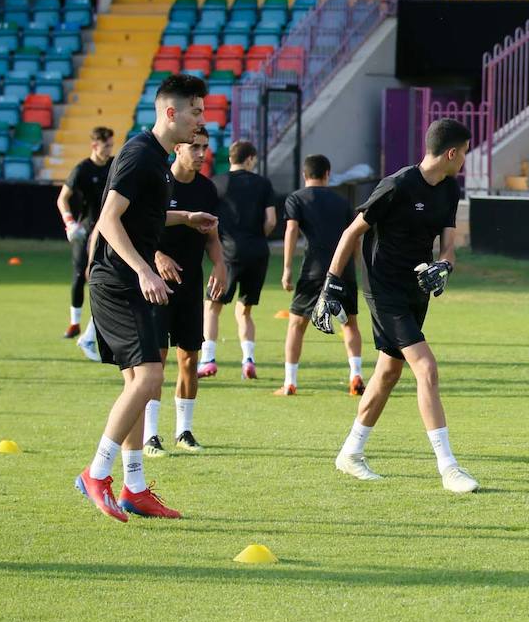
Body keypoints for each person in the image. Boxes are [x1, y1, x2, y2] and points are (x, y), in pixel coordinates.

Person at [74, 73, 216, 522]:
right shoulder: (139, 155)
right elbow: (109, 220)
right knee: (150, 377)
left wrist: (184, 217)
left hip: (124, 281)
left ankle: (134, 485)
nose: (201, 119)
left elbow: (143, 215)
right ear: (171, 112)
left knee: (138, 382)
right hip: (117, 282)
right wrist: (143, 270)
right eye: (196, 111)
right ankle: (96, 473)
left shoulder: (154, 158)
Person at [313, 118, 478, 494]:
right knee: (427, 367)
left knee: (388, 372)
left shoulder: (449, 190)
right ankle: (448, 467)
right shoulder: (397, 185)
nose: (465, 159)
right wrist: (332, 285)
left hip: (415, 289)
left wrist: (444, 265)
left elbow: (449, 245)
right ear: (452, 152)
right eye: (465, 152)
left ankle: (350, 453)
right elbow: (351, 232)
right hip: (383, 290)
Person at [144, 126, 225, 457]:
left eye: (205, 147)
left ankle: (184, 431)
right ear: (177, 148)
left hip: (191, 285)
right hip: (157, 286)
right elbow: (139, 231)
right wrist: (157, 256)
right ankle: (150, 436)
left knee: (189, 358)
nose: (201, 153)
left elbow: (213, 236)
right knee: (157, 361)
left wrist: (220, 265)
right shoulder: (159, 183)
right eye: (195, 147)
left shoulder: (207, 189)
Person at [279, 153, 363, 396]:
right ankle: (355, 374)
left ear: (305, 175)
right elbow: (355, 236)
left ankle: (290, 381)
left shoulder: (296, 199)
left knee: (296, 324)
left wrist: (287, 269)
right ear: (328, 174)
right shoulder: (342, 202)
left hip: (313, 271)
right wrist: (353, 267)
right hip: (343, 272)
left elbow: (292, 229)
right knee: (349, 323)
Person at [200, 140, 276, 379]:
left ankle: (208, 359)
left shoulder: (216, 183)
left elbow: (208, 218)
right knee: (244, 310)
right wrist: (255, 237)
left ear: (230, 158)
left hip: (229, 253)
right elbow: (272, 220)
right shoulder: (263, 183)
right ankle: (248, 360)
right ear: (250, 158)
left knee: (212, 307)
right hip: (258, 252)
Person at [57, 126, 113, 356]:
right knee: (81, 273)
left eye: (111, 144)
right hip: (86, 228)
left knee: (105, 279)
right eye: (106, 145)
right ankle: (75, 323)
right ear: (94, 145)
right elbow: (63, 198)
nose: (110, 149)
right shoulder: (82, 169)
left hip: (109, 229)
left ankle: (93, 333)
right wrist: (70, 222)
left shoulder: (113, 165)